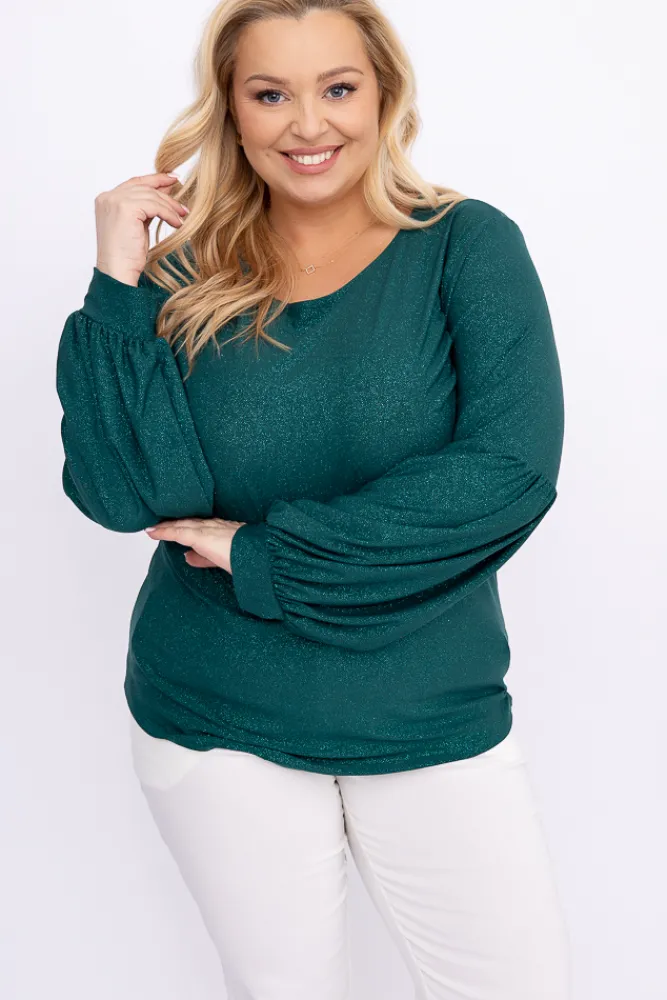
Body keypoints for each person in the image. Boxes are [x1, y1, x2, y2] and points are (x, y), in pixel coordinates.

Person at [55, 1, 572, 997]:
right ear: (231, 110)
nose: (307, 124)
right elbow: (125, 493)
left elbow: (506, 475)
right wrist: (116, 278)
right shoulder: (182, 273)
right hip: (215, 714)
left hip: (427, 709)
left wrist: (267, 555)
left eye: (337, 88)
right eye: (269, 94)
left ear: (382, 94)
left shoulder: (464, 245)